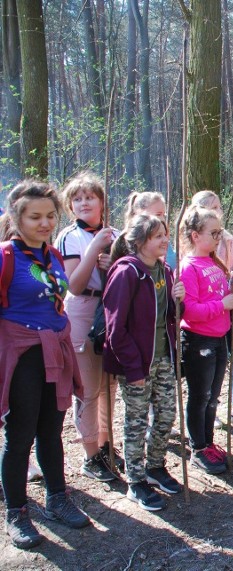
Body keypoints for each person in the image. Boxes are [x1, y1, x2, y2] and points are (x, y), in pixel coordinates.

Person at [0, 180, 90, 549]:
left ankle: (57, 498)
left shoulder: (52, 255)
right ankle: (17, 512)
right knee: (20, 435)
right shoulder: (6, 256)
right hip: (22, 355)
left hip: (56, 353)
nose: (44, 223)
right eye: (35, 216)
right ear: (16, 217)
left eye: (50, 215)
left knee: (51, 430)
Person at [103, 213, 186, 511]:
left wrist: (180, 301)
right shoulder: (127, 273)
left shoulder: (164, 270)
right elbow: (115, 328)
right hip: (136, 362)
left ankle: (155, 466)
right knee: (136, 421)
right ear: (139, 242)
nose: (165, 240)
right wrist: (133, 368)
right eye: (157, 236)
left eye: (165, 234)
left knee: (166, 414)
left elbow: (173, 316)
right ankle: (135, 481)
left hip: (163, 356)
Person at [55, 172, 122, 482]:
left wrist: (114, 264)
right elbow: (75, 284)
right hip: (83, 310)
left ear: (101, 202)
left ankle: (108, 446)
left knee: (110, 384)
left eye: (89, 197)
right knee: (89, 388)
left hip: (111, 310)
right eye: (77, 199)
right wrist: (95, 248)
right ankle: (91, 453)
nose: (83, 203)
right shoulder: (70, 237)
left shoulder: (116, 234)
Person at [178, 206, 233, 475]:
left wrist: (232, 292)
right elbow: (189, 310)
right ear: (195, 236)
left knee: (214, 396)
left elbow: (218, 295)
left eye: (219, 232)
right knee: (200, 395)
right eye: (213, 233)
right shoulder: (189, 267)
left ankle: (208, 442)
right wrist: (222, 304)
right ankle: (198, 448)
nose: (218, 237)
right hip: (198, 340)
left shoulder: (214, 262)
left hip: (219, 338)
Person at [190, 190, 233, 271]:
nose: (220, 211)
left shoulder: (228, 239)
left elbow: (231, 268)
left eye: (220, 207)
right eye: (214, 207)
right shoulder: (189, 238)